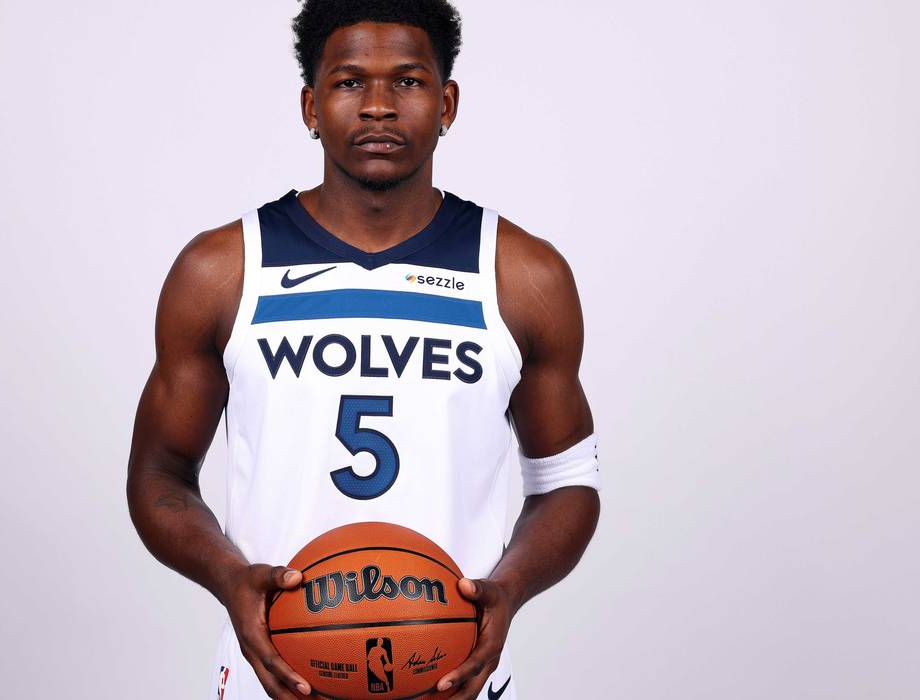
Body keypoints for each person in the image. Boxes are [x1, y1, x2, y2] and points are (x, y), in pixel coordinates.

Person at [126, 1, 601, 698]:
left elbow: (565, 479)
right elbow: (158, 473)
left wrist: (509, 587)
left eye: (406, 82)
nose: (378, 106)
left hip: (451, 673)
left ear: (446, 103)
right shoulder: (224, 269)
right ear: (310, 106)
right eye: (349, 82)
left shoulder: (521, 274)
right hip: (277, 674)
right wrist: (230, 578)